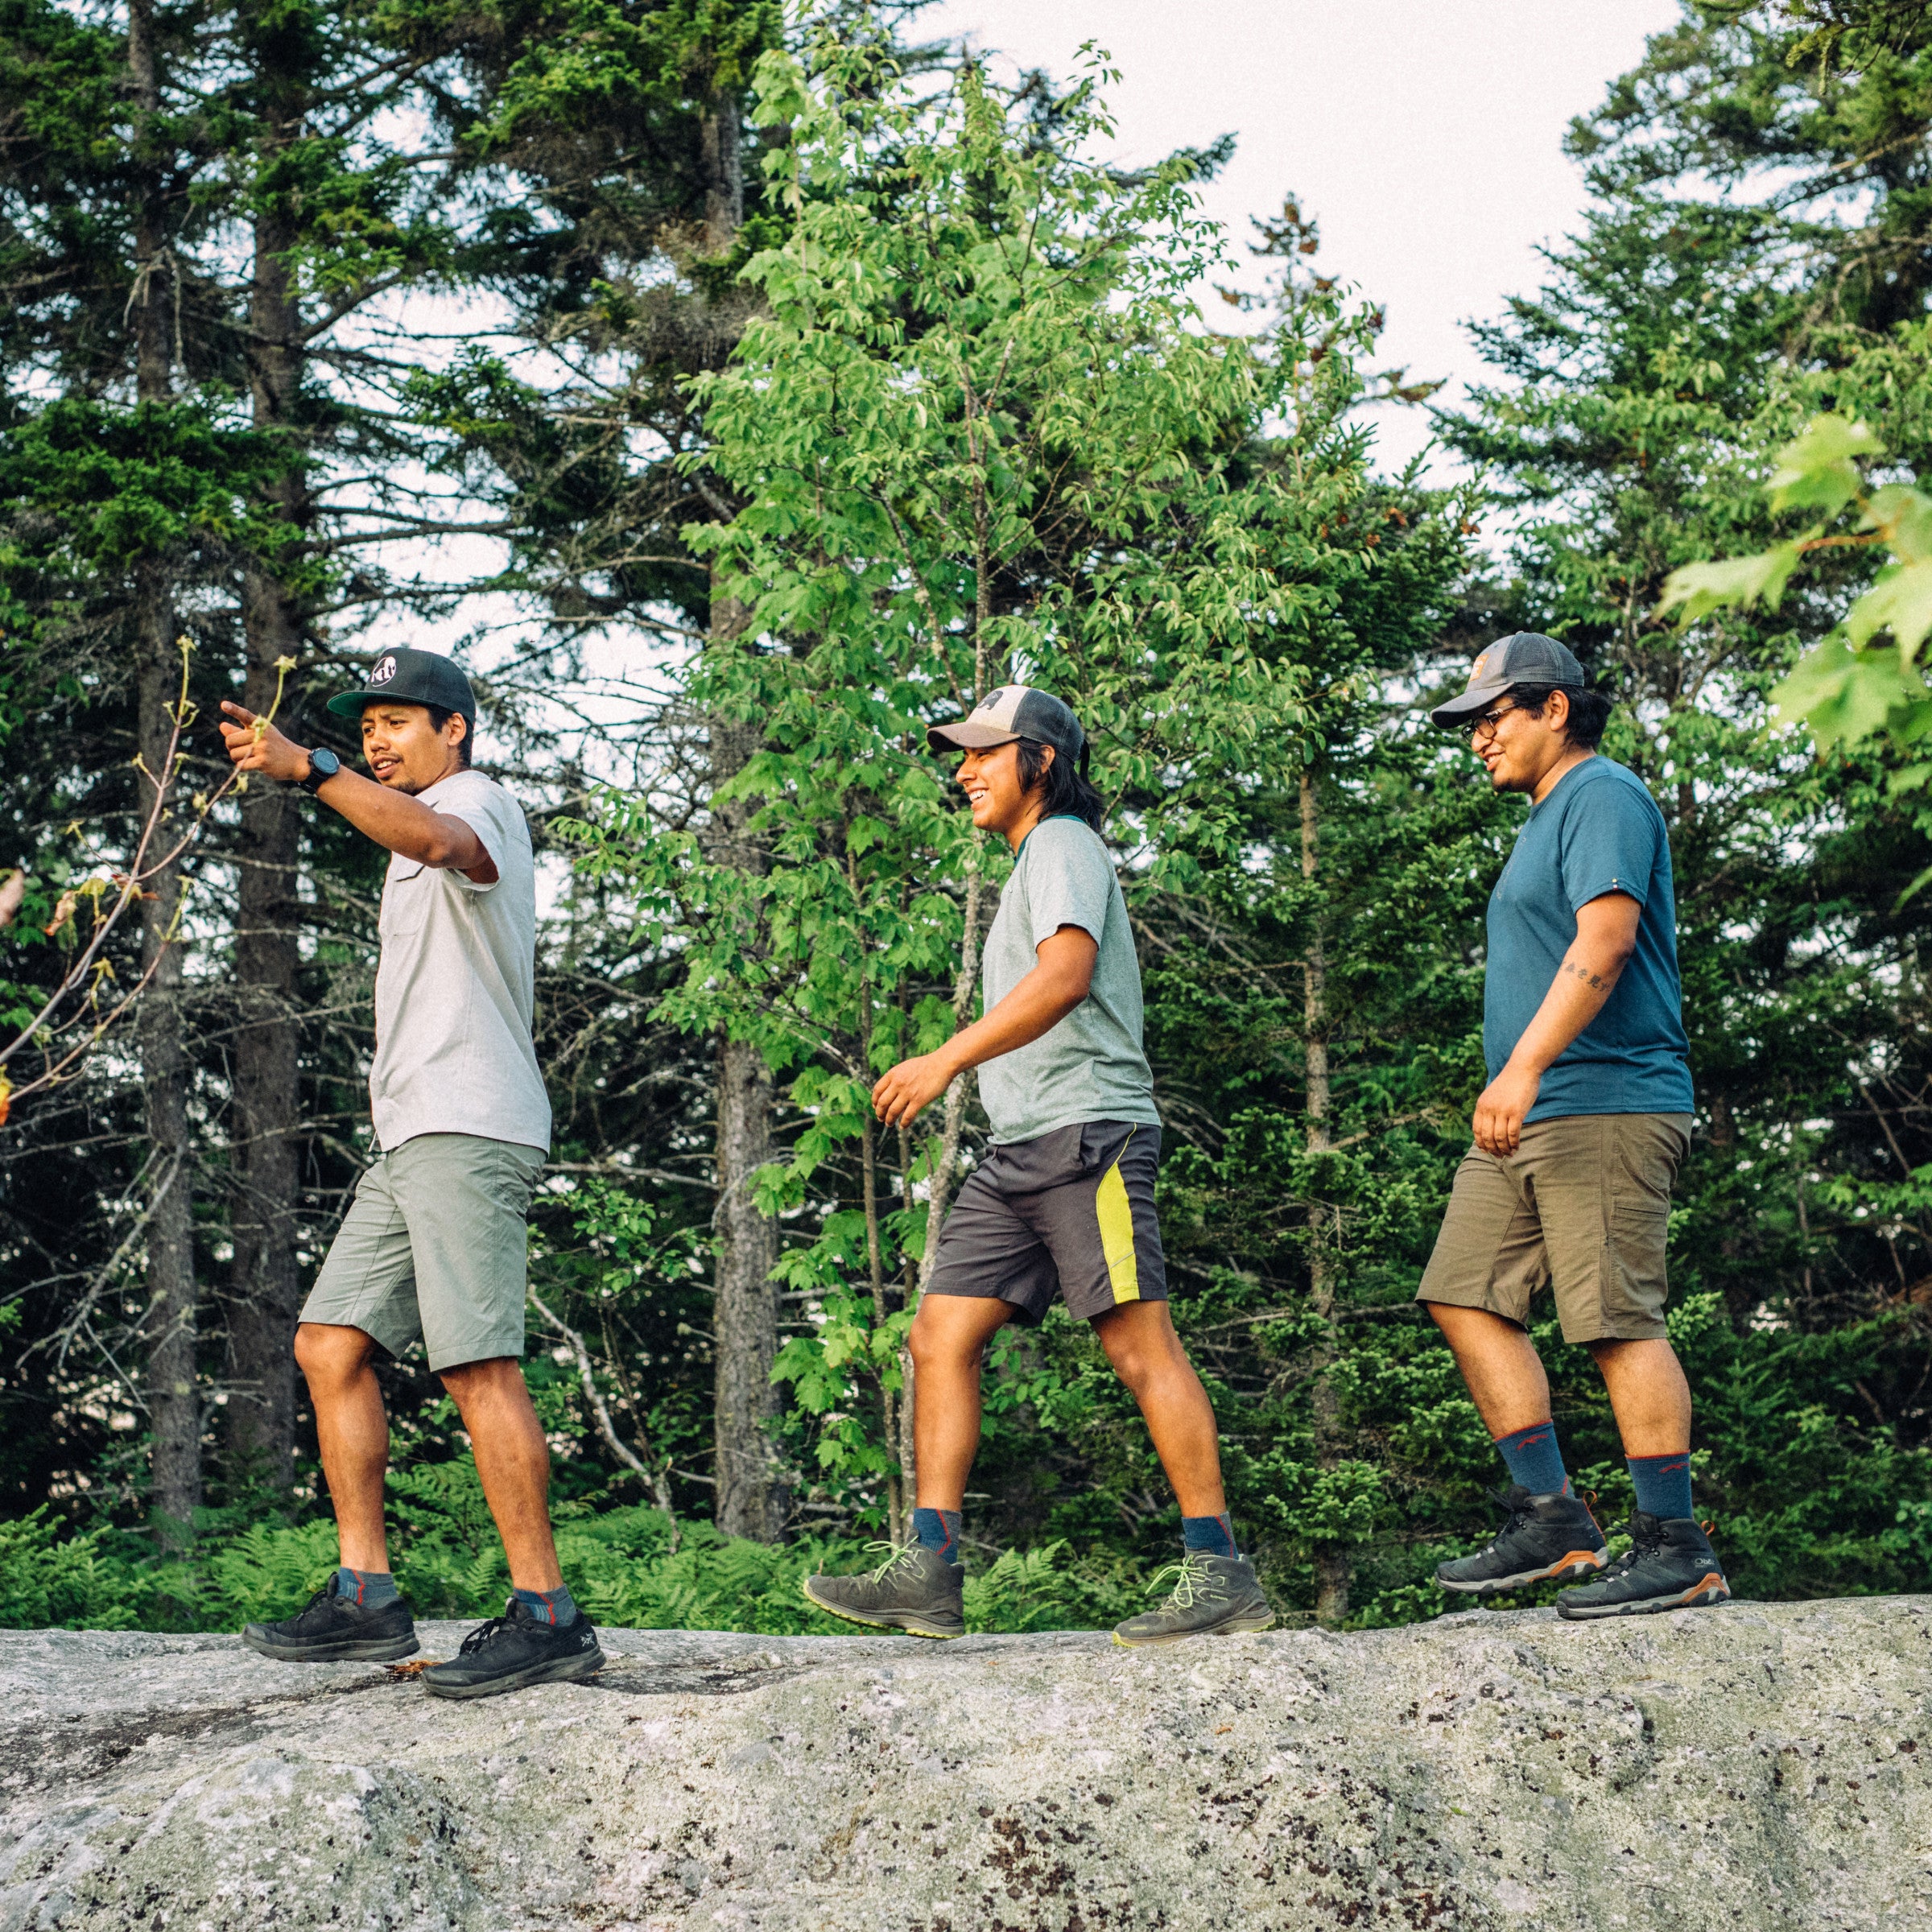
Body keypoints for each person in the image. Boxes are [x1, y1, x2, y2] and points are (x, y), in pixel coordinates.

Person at [802, 685, 1275, 1648]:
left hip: (1088, 1135)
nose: (964, 771)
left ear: (1043, 761)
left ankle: (1222, 1572)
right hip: (1020, 1149)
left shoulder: (1063, 844)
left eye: (985, 752)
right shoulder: (1032, 861)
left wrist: (945, 1059)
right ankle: (929, 1570)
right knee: (939, 1337)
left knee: (1140, 1349)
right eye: (961, 755)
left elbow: (1064, 977)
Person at [221, 648, 605, 1696]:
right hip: (413, 1135)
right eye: (366, 728)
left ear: (455, 730)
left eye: (396, 723)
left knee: (477, 1365)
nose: (378, 742)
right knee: (329, 1344)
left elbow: (439, 842)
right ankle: (367, 1598)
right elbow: (406, 834)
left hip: (469, 1127)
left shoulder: (476, 803)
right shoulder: (407, 823)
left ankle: (549, 1615)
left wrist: (312, 768)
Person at [1419, 632, 1728, 1619]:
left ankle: (1676, 1543)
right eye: (1469, 725)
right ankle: (1552, 1517)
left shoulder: (1603, 794)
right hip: (1532, 1112)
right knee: (1464, 1293)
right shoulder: (1546, 816)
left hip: (1607, 1097)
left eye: (1492, 717)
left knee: (1613, 1319)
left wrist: (1523, 1066)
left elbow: (1608, 939)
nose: (1477, 739)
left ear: (1555, 708)